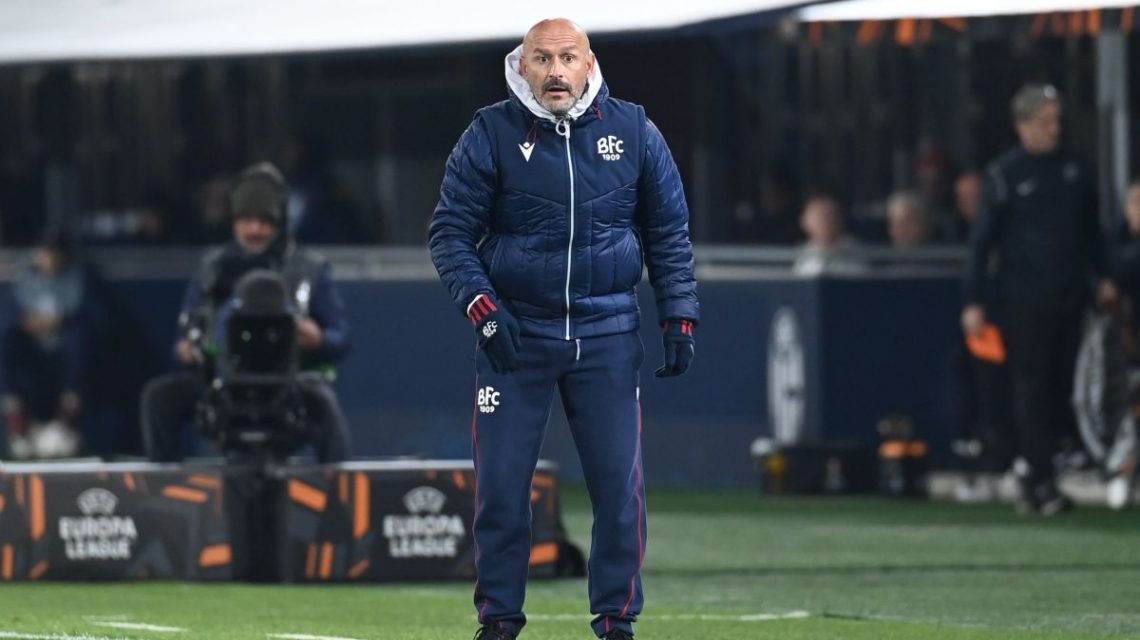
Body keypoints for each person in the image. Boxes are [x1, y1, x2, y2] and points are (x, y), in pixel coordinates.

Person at [428, 18, 699, 640]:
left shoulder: (635, 130)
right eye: (543, 58)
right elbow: (449, 233)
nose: (555, 71)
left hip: (608, 335)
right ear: (521, 65)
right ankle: (499, 623)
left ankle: (617, 622)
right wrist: (483, 310)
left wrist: (679, 316)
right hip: (515, 338)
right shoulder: (490, 132)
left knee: (619, 490)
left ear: (589, 63)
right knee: (501, 491)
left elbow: (669, 233)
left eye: (568, 58)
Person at [962, 84, 1115, 515]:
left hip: (1073, 295)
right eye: (1046, 121)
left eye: (1057, 120)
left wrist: (1105, 276)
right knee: (1033, 387)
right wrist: (973, 299)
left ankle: (1057, 461)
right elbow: (981, 244)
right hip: (1025, 300)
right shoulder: (1005, 175)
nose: (1055, 128)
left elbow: (1092, 231)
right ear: (1023, 125)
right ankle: (1037, 473)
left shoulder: (1076, 168)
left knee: (1069, 384)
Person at [139, 162, 351, 463]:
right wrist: (187, 350)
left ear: (280, 222)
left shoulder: (310, 269)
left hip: (289, 383)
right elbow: (182, 339)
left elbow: (341, 337)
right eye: (246, 220)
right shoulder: (212, 269)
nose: (255, 230)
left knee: (323, 402)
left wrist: (319, 339)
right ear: (234, 221)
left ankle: (337, 486)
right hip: (222, 384)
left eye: (265, 221)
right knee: (159, 397)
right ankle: (164, 487)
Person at [2, 233, 88, 458]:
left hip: (60, 344)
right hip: (32, 345)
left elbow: (68, 312)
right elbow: (21, 315)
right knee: (8, 338)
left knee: (78, 338)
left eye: (52, 253)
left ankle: (66, 421)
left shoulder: (73, 277)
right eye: (44, 252)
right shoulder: (28, 278)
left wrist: (52, 321)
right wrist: (38, 321)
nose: (48, 258)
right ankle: (17, 421)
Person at [792, 192, 868, 276]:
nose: (825, 221)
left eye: (830, 215)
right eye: (818, 216)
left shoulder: (860, 253)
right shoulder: (793, 255)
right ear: (803, 221)